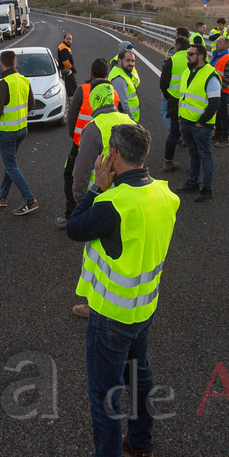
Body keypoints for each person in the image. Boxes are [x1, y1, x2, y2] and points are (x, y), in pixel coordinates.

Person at [65, 123, 179, 457]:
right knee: (139, 376)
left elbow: (75, 228)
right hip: (143, 307)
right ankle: (141, 447)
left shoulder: (113, 203)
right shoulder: (164, 194)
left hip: (111, 314)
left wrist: (97, 186)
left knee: (105, 397)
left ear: (113, 154)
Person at [68, 83, 135, 317]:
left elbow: (81, 168)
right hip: (128, 198)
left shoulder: (93, 128)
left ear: (95, 103)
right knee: (121, 249)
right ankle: (120, 298)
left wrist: (80, 199)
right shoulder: (131, 121)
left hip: (102, 199)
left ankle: (94, 304)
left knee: (96, 253)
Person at [59, 59, 116, 228]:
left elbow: (72, 115)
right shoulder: (113, 92)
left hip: (80, 143)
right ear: (107, 75)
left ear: (91, 73)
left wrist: (73, 133)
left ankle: (72, 214)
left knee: (71, 175)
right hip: (108, 143)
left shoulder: (82, 90)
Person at [0, 49, 38, 215]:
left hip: (6, 132)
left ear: (2, 64)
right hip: (22, 129)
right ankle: (2, 196)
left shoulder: (3, 84)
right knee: (10, 164)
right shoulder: (24, 80)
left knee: (11, 165)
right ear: (15, 63)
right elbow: (31, 105)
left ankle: (30, 200)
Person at [175, 43, 221, 202]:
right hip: (186, 122)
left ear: (201, 56)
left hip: (200, 125)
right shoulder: (187, 72)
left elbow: (215, 103)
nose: (187, 56)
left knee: (205, 155)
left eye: (191, 54)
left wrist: (202, 122)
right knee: (193, 154)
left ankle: (207, 189)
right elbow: (184, 96)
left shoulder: (211, 75)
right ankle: (193, 182)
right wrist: (181, 117)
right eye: (188, 53)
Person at [160, 35, 190, 171]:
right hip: (192, 101)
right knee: (193, 133)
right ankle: (195, 164)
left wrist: (169, 97)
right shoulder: (195, 58)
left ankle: (168, 161)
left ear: (177, 46)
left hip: (174, 100)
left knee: (174, 131)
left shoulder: (172, 60)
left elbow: (163, 83)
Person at [210, 37, 229, 146]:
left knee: (223, 114)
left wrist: (218, 90)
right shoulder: (215, 56)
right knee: (217, 113)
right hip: (214, 90)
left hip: (222, 90)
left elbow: (228, 78)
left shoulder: (228, 58)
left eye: (219, 42)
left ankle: (225, 138)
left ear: (226, 45)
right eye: (216, 42)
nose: (217, 43)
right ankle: (217, 134)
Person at [108, 47, 140, 123]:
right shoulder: (119, 78)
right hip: (126, 121)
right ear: (119, 61)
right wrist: (132, 121)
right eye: (128, 60)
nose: (131, 64)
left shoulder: (123, 73)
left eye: (133, 61)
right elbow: (123, 103)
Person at [58, 33, 77, 98]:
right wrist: (72, 68)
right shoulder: (63, 48)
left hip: (66, 71)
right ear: (64, 39)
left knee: (70, 89)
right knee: (72, 89)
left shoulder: (65, 47)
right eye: (67, 39)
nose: (69, 40)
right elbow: (65, 62)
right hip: (67, 72)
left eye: (70, 39)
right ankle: (73, 104)